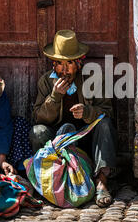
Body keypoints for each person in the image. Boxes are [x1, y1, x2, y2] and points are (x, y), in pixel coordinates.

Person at [29, 29, 117, 208]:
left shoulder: (93, 78)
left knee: (105, 124)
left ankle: (101, 182)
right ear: (53, 65)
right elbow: (38, 118)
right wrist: (54, 98)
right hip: (57, 142)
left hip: (85, 138)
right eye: (59, 64)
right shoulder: (46, 81)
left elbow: (108, 112)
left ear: (79, 63)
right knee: (37, 132)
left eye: (69, 64)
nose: (64, 69)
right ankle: (44, 180)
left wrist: (87, 112)